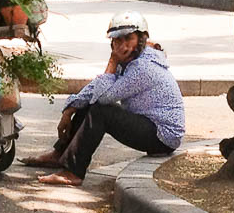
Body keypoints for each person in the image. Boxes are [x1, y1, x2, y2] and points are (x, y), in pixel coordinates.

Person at [20, 11, 185, 186]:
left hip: (162, 136)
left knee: (101, 110)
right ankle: (60, 154)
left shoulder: (143, 67)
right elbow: (96, 89)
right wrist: (70, 109)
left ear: (141, 39)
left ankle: (73, 172)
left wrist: (112, 61)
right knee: (90, 102)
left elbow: (105, 97)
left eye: (129, 39)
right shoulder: (131, 60)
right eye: (118, 40)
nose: (123, 46)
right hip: (149, 124)